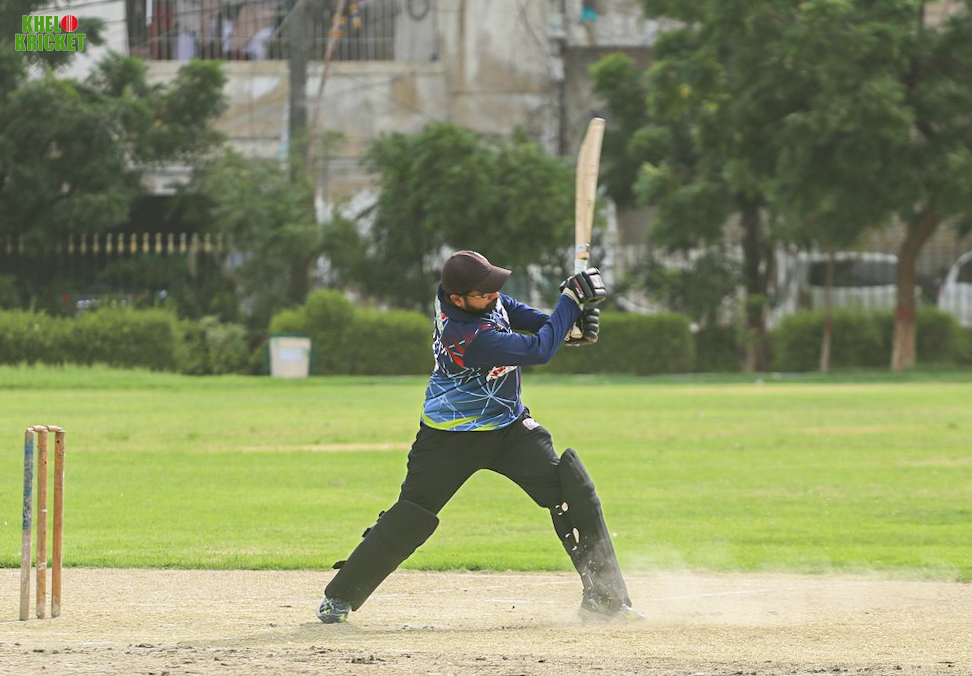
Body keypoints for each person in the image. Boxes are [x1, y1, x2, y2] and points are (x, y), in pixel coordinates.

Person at [317, 250, 641, 623]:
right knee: (410, 517)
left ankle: (605, 598)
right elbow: (538, 350)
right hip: (449, 437)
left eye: (493, 288)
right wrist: (569, 302)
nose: (494, 296)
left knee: (573, 490)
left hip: (509, 429)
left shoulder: (478, 299)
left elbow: (527, 319)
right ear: (457, 300)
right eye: (484, 292)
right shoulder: (466, 336)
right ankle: (339, 597)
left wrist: (566, 325)